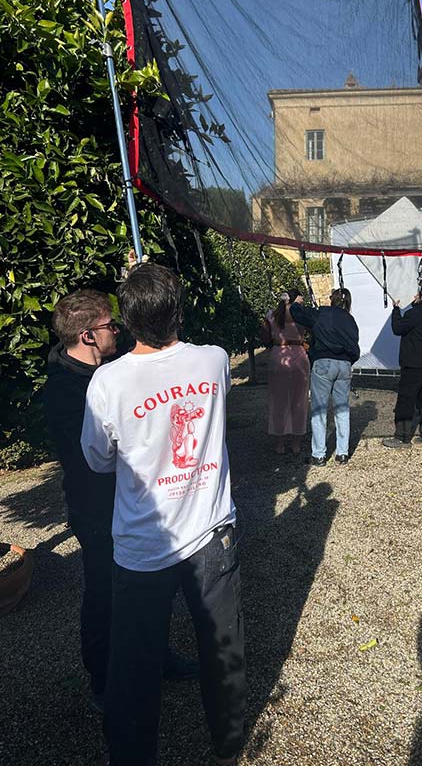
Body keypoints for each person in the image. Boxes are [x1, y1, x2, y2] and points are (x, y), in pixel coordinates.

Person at [81, 263, 245, 765]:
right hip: (210, 534)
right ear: (179, 310)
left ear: (126, 320)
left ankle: (133, 756)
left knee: (134, 665)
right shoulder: (214, 360)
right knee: (223, 649)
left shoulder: (107, 383)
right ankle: (230, 741)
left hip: (142, 544)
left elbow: (97, 458)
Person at [43, 289, 197, 713]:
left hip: (134, 503)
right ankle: (103, 680)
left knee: (153, 585)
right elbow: (92, 458)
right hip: (97, 510)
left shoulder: (108, 369)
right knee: (104, 594)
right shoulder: (64, 391)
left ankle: (157, 657)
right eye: (111, 325)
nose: (118, 330)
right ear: (88, 336)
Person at [290, 287, 360, 466]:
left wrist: (296, 303)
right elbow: (355, 346)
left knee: (319, 410)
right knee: (342, 409)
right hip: (344, 364)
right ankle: (342, 453)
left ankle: (319, 454)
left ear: (332, 300)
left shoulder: (323, 313)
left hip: (324, 361)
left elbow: (298, 314)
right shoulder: (351, 321)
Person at [383, 283, 422, 449]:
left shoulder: (415, 313)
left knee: (406, 399)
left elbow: (398, 328)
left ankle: (402, 437)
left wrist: (396, 310)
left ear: (419, 296)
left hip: (414, 363)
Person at [260, 289, 310, 456]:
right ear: (295, 299)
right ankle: (296, 444)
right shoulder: (301, 315)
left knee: (278, 401)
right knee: (299, 401)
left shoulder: (271, 315)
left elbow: (264, 337)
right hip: (299, 355)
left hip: (278, 355)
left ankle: (279, 443)